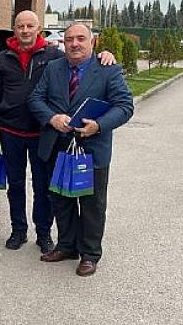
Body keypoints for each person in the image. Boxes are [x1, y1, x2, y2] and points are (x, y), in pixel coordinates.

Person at [0, 10, 116, 253]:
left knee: (44, 187)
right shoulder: (4, 57)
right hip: (11, 131)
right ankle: (18, 231)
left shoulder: (53, 56)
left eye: (30, 25)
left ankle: (44, 234)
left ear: (39, 29)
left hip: (42, 133)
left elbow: (82, 58)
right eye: (20, 26)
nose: (25, 30)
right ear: (14, 29)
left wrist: (104, 54)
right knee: (15, 184)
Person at [28, 23, 134, 277]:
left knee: (92, 204)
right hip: (58, 148)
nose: (74, 44)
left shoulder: (108, 70)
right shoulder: (54, 68)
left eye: (80, 39)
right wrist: (52, 118)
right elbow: (35, 99)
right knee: (61, 200)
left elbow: (124, 106)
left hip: (92, 150)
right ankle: (67, 246)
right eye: (69, 39)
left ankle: (89, 254)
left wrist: (98, 126)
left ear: (92, 41)